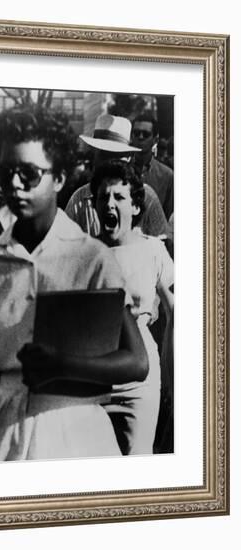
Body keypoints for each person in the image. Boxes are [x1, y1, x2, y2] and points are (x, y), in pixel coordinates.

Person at [0, 106, 148, 463]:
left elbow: (135, 361)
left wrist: (63, 365)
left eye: (29, 173)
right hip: (0, 428)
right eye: (8, 173)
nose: (16, 186)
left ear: (59, 178)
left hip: (74, 426)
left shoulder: (91, 257)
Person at [91, 159, 174, 455]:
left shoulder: (153, 249)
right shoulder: (84, 253)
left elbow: (175, 310)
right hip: (93, 383)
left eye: (119, 197)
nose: (109, 203)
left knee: (138, 465)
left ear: (136, 207)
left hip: (140, 383)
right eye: (103, 197)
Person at [65, 114, 172, 242]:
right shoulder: (79, 199)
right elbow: (64, 247)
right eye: (104, 155)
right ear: (94, 157)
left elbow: (163, 242)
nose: (109, 164)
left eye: (115, 156)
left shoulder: (146, 197)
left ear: (128, 159)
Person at [131, 112, 174, 220]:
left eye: (145, 134)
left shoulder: (167, 176)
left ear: (155, 139)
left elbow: (169, 217)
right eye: (136, 133)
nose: (140, 137)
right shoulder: (121, 169)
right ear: (131, 137)